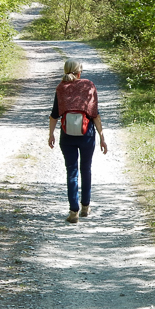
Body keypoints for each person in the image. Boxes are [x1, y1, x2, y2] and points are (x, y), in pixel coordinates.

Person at [48, 59, 107, 223]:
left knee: (71, 172)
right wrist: (102, 137)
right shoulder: (88, 85)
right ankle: (86, 207)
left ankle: (74, 211)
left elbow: (54, 114)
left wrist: (51, 134)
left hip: (67, 135)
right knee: (86, 169)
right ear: (79, 72)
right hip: (87, 133)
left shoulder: (61, 87)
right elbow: (95, 114)